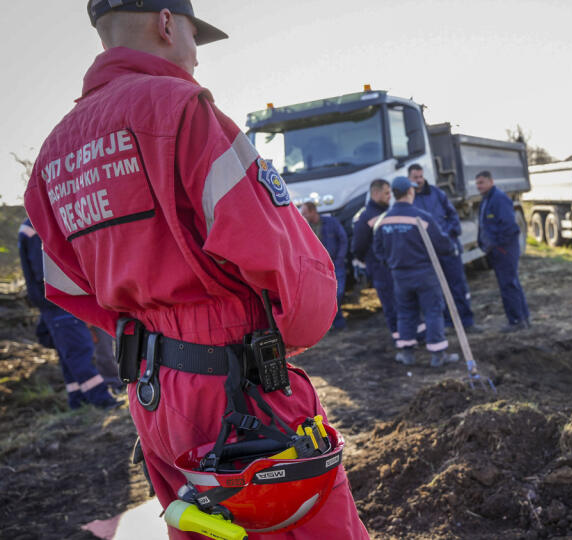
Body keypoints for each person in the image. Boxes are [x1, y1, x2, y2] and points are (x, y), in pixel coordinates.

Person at [23, 2, 367, 538]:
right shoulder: (182, 109)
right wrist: (278, 343)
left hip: (151, 392)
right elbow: (288, 261)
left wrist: (151, 332)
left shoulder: (53, 154)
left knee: (202, 529)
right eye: (193, 37)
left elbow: (67, 286)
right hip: (237, 389)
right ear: (166, 22)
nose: (196, 59)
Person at [17, 218, 119, 410]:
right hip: (60, 301)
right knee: (79, 351)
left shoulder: (31, 226)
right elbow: (45, 271)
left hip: (54, 302)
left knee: (69, 355)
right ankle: (102, 400)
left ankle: (78, 400)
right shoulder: (38, 225)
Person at [373, 177, 459, 367]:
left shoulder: (383, 220)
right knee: (433, 311)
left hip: (399, 276)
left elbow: (378, 250)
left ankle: (407, 353)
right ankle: (438, 355)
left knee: (405, 312)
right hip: (424, 273)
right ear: (410, 192)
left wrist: (391, 263)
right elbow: (443, 244)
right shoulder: (421, 218)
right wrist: (452, 249)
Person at [408, 164, 481, 333]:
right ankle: (448, 323)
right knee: (437, 289)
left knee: (458, 286)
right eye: (415, 177)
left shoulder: (437, 193)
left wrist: (446, 235)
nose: (418, 180)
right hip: (427, 252)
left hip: (448, 249)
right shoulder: (410, 199)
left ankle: (467, 321)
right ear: (409, 178)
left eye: (420, 177)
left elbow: (453, 216)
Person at [475, 171, 531, 333]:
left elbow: (510, 227)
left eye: (482, 182)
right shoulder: (486, 199)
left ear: (491, 182)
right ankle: (523, 318)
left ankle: (516, 321)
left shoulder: (499, 198)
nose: (479, 186)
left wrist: (497, 246)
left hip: (504, 250)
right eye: (477, 183)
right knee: (511, 283)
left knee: (508, 285)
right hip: (498, 250)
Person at [352, 179, 399, 340]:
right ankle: (399, 338)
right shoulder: (365, 217)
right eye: (386, 193)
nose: (389, 196)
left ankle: (412, 336)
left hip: (393, 266)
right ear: (376, 193)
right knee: (390, 304)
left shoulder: (389, 212)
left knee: (402, 302)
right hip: (380, 269)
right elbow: (358, 246)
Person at [301, 201, 348, 330]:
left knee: (337, 294)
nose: (302, 216)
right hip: (319, 268)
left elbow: (343, 239)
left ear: (312, 211)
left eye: (304, 213)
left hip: (335, 264)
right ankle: (337, 323)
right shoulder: (306, 227)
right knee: (328, 297)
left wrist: (339, 258)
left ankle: (337, 322)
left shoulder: (331, 222)